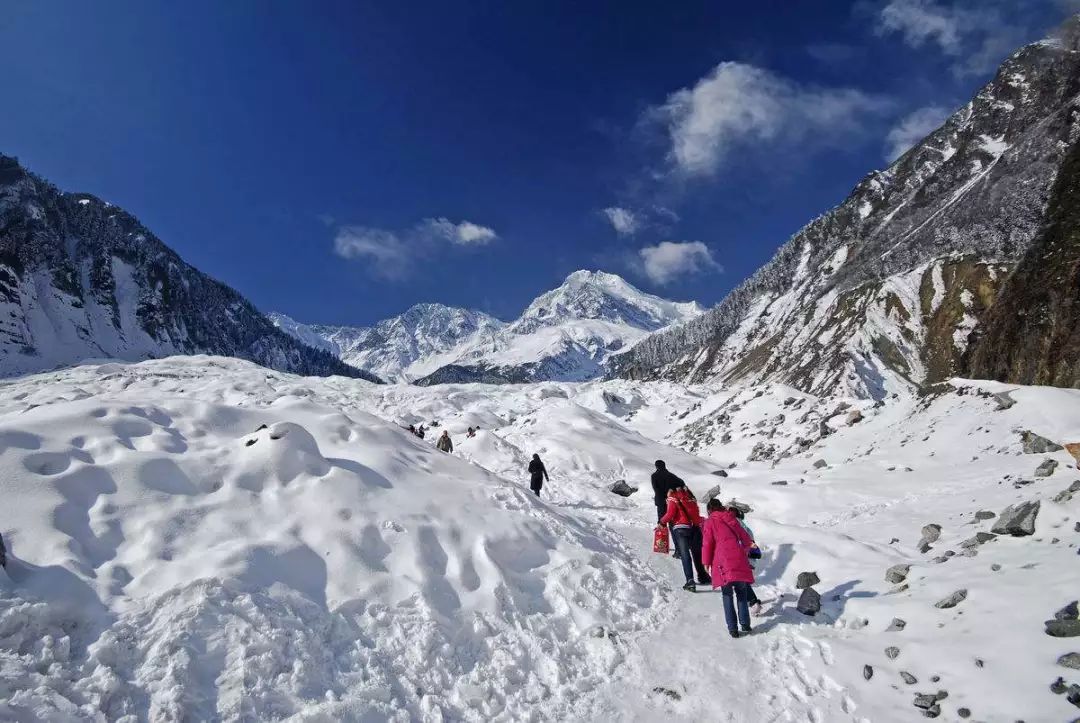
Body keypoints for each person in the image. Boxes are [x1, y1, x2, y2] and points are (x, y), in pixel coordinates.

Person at [702, 498, 756, 638]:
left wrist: (706, 562)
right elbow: (746, 540)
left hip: (722, 562)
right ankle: (745, 624)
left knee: (727, 595)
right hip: (738, 560)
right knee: (742, 593)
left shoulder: (710, 522)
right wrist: (742, 552)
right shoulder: (732, 518)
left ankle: (733, 629)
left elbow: (708, 544)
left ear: (709, 510)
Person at [658, 485, 711, 591]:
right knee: (697, 554)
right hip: (694, 529)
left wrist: (661, 522)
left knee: (685, 555)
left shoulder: (672, 498)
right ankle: (703, 576)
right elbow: (696, 515)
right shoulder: (690, 498)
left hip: (680, 529)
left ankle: (690, 581)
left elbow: (670, 513)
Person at [731, 506, 764, 615]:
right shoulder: (746, 526)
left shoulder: (735, 524)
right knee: (742, 581)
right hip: (751, 558)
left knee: (740, 582)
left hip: (744, 558)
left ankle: (753, 602)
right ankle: (753, 602)